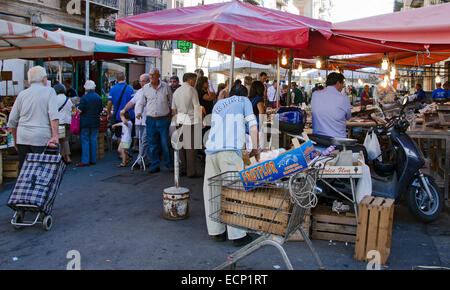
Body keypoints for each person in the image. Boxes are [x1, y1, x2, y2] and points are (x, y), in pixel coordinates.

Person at [203, 85, 259, 247]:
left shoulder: (219, 103)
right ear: (245, 95)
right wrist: (254, 148)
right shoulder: (244, 101)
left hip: (212, 151)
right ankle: (237, 235)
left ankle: (216, 232)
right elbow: (253, 126)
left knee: (213, 192)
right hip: (229, 153)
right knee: (234, 192)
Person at [8, 66, 59, 170]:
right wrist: (55, 136)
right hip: (41, 137)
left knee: (24, 171)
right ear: (44, 78)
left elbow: (12, 120)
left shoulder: (22, 94)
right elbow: (54, 116)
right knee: (41, 171)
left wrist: (15, 139)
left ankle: (22, 186)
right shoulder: (50, 91)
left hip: (23, 137)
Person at [136, 68, 173, 174]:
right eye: (150, 75)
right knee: (152, 144)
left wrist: (173, 115)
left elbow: (171, 101)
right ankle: (155, 164)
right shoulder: (145, 88)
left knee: (165, 142)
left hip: (163, 119)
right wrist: (138, 112)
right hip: (151, 120)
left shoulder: (166, 87)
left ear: (159, 76)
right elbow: (141, 103)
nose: (151, 77)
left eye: (153, 75)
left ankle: (168, 164)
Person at [172, 72, 203, 178]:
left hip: (179, 121)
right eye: (194, 80)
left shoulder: (176, 91)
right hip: (191, 121)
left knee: (181, 147)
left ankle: (183, 169)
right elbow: (196, 106)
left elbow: (173, 108)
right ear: (189, 80)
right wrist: (201, 121)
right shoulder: (192, 90)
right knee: (191, 148)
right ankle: (191, 172)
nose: (195, 83)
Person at [120, 74, 151, 168]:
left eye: (144, 81)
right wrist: (124, 109)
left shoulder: (150, 91)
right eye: (140, 81)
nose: (141, 83)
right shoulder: (140, 92)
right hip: (139, 121)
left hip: (147, 120)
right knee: (143, 141)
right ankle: (148, 160)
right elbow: (132, 102)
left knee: (144, 141)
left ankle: (139, 161)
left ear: (148, 81)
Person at [311, 72, 351, 139]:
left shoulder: (315, 95)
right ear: (338, 83)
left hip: (318, 139)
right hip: (338, 141)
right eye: (342, 84)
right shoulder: (344, 98)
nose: (342, 87)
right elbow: (348, 117)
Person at [76, 80, 104, 167]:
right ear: (94, 87)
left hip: (85, 121)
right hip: (95, 121)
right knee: (93, 139)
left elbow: (80, 110)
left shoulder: (84, 98)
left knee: (85, 140)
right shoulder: (98, 97)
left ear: (86, 88)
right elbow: (100, 110)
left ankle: (85, 160)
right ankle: (93, 159)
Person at [106, 72, 135, 144]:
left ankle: (122, 152)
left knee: (119, 135)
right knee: (128, 135)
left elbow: (109, 103)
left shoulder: (113, 89)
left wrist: (109, 113)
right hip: (129, 115)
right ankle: (125, 151)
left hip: (118, 115)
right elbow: (134, 103)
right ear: (124, 78)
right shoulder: (130, 88)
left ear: (116, 79)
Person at [54, 83, 74, 164]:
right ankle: (67, 157)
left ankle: (61, 156)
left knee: (58, 140)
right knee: (65, 140)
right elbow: (72, 110)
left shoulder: (54, 99)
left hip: (59, 122)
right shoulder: (68, 99)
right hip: (68, 122)